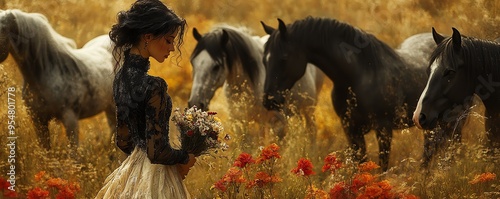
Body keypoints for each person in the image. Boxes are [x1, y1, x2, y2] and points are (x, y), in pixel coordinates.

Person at [95, 0, 196, 198]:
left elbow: (123, 141)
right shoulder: (154, 85)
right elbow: (157, 152)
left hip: (130, 173)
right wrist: (185, 157)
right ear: (148, 37)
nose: (173, 48)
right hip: (156, 178)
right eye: (168, 40)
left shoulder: (119, 80)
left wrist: (138, 164)